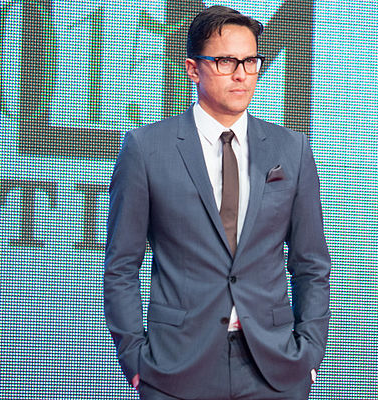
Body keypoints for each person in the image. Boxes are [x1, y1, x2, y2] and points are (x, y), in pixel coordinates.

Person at [104, 5, 330, 400]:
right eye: (226, 61)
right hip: (177, 367)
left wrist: (309, 354)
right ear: (193, 68)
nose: (242, 74)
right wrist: (135, 359)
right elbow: (121, 267)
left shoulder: (290, 149)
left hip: (274, 368)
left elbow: (311, 263)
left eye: (251, 60)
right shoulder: (146, 148)